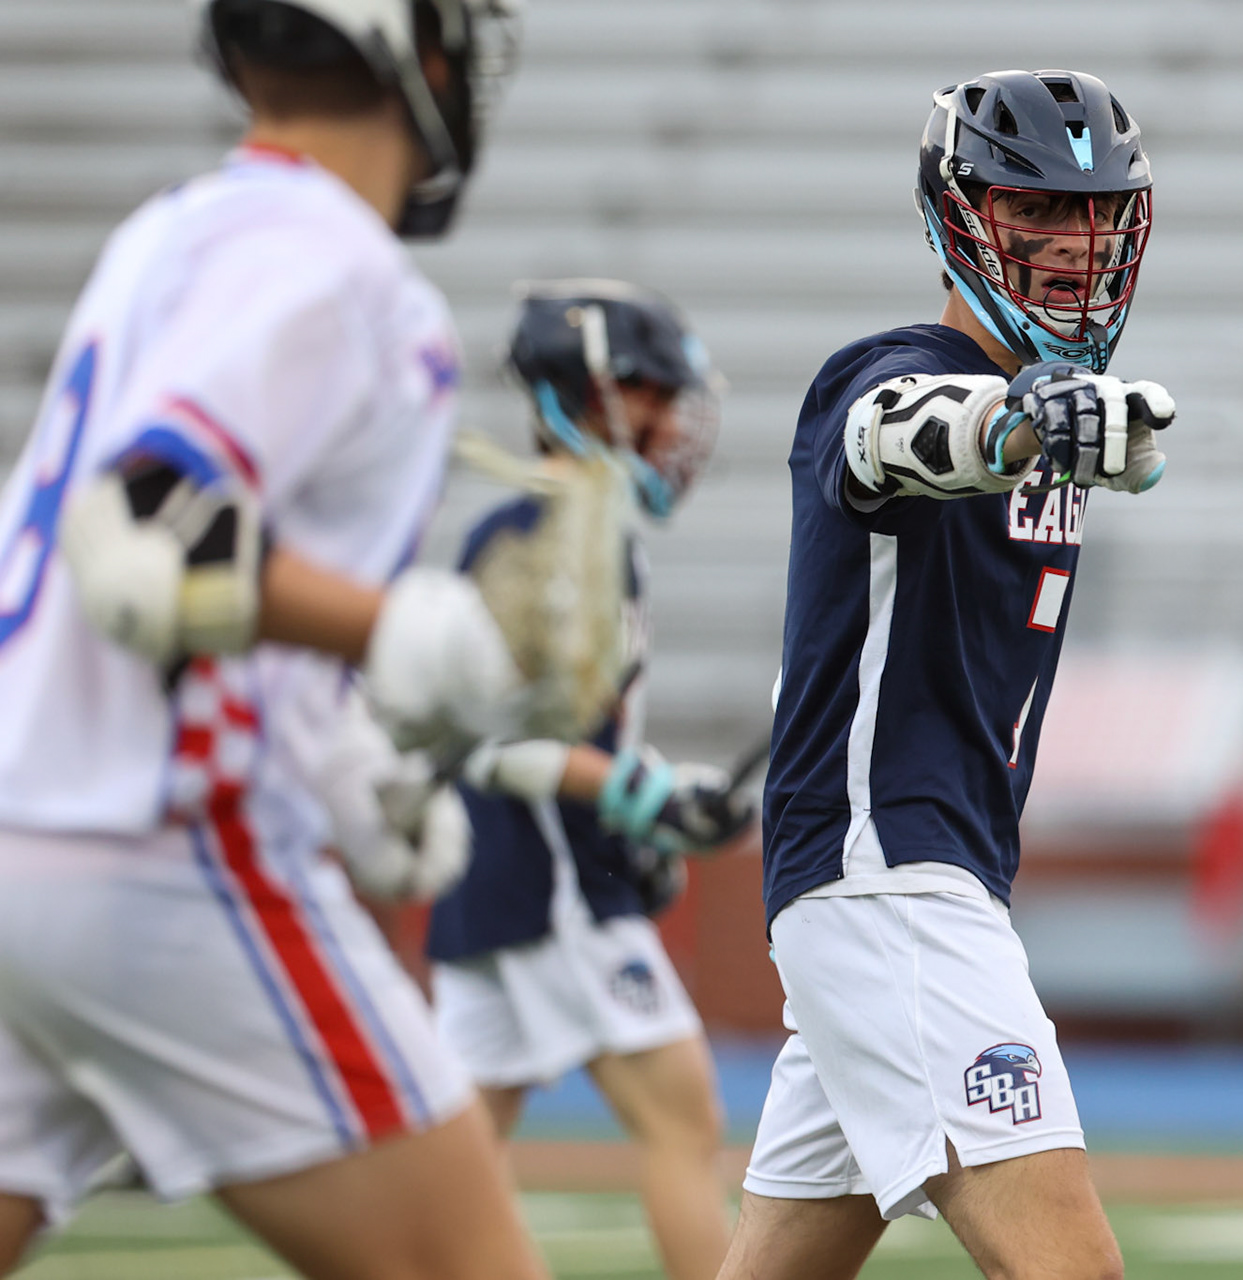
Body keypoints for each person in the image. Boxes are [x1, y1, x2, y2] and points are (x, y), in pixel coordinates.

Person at [0, 2, 555, 1277]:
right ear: (410, 48)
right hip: (151, 844)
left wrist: (341, 759)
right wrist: (409, 626)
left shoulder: (171, 230)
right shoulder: (338, 266)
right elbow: (146, 537)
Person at [721, 70, 1172, 1280]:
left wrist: (1054, 419)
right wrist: (1020, 425)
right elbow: (905, 429)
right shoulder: (888, 371)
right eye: (1032, 210)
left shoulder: (1069, 407)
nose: (1072, 243)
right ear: (961, 214)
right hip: (889, 878)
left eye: (1093, 214)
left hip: (906, 878)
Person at [428, 281, 753, 1280]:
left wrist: (654, 789)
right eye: (652, 391)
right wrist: (636, 798)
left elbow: (566, 730)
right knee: (683, 1117)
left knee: (458, 1158)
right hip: (550, 882)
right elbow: (487, 741)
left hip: (504, 878)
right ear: (590, 393)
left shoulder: (578, 528)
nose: (668, 420)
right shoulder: (545, 538)